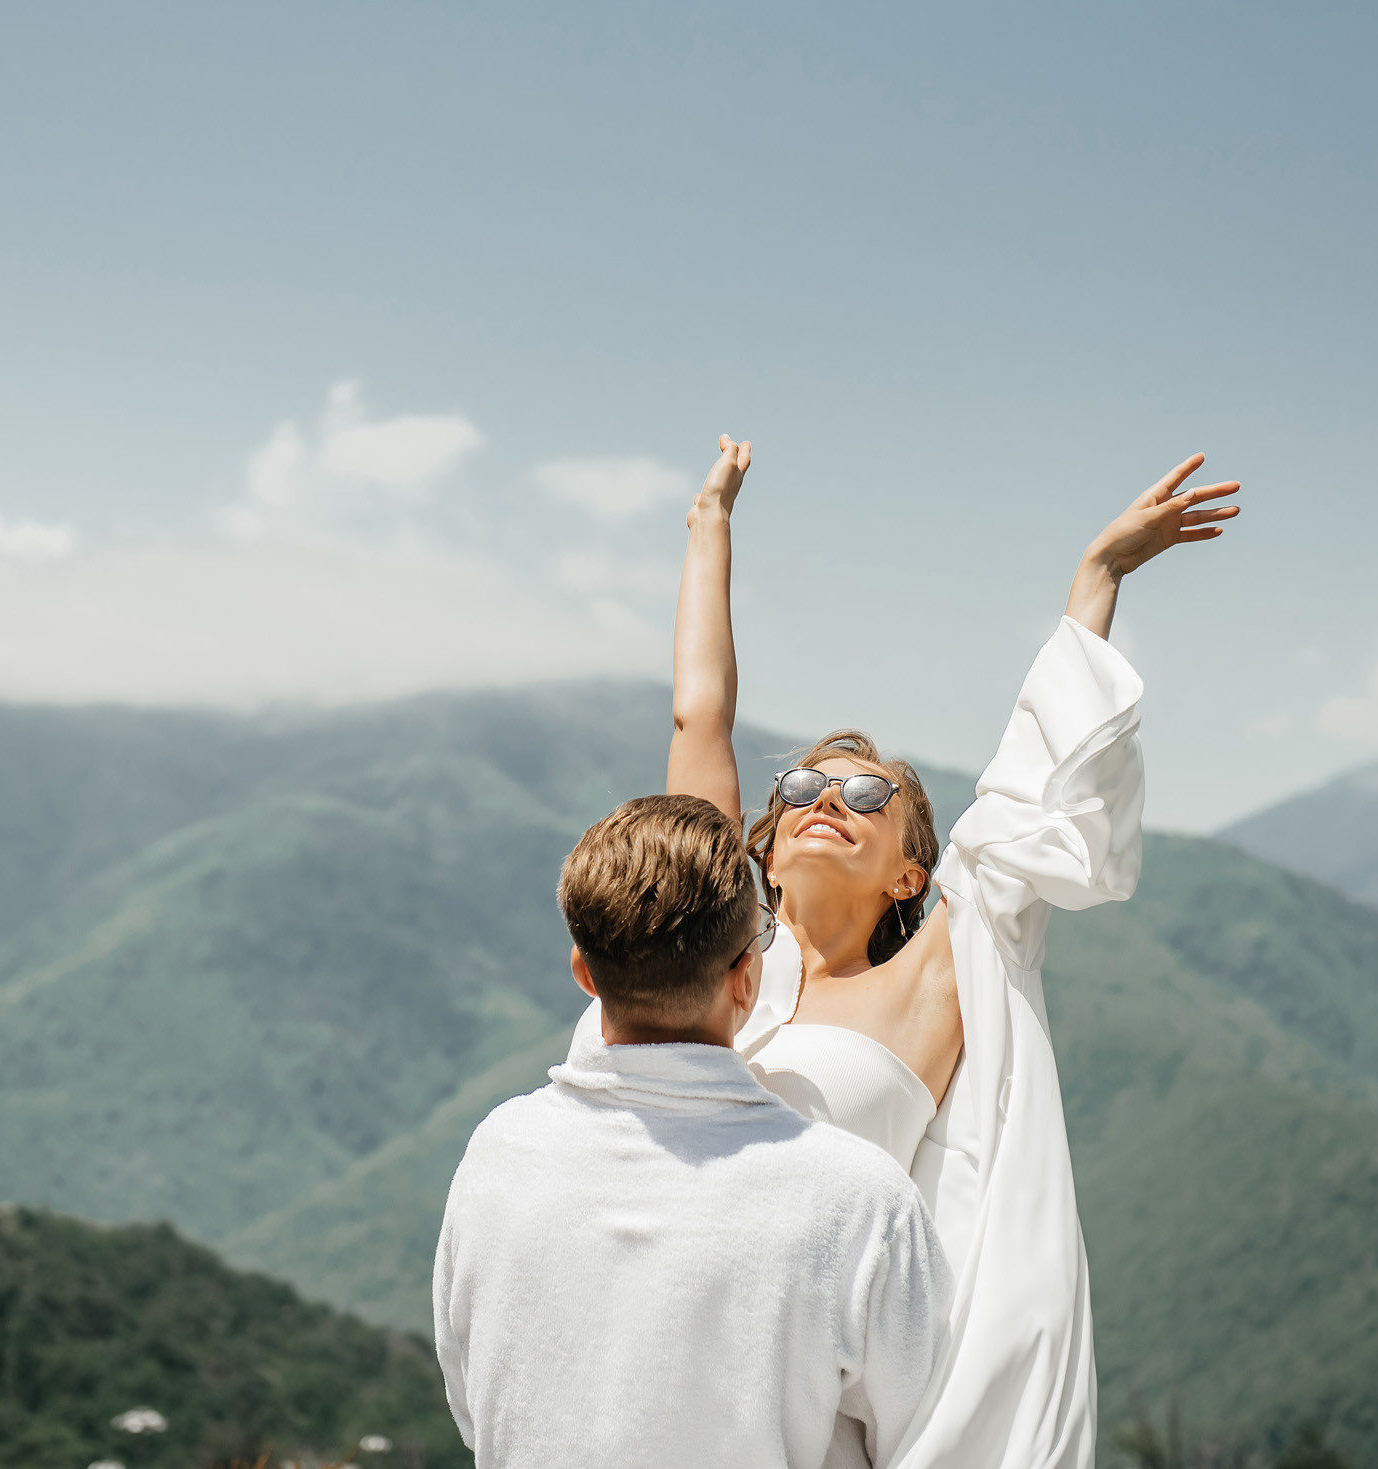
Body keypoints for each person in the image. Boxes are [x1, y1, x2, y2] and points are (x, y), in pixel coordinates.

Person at [640, 435, 1241, 1469]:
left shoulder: (938, 972)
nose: (828, 798)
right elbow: (700, 718)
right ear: (763, 848)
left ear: (909, 874)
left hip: (804, 1401)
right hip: (667, 1355)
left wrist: (1096, 576)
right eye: (801, 787)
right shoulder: (713, 959)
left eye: (867, 794)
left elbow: (1031, 789)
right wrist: (708, 527)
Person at [434, 794, 952, 1469]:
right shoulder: (860, 1201)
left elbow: (473, 1401)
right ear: (746, 980)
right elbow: (923, 1433)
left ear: (584, 973)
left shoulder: (499, 1152)